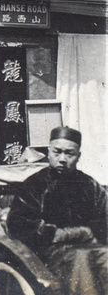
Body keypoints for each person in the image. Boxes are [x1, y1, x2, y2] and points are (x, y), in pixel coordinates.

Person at [6, 126, 107, 295]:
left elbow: (104, 218)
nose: (62, 159)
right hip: (47, 253)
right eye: (57, 152)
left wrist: (90, 232)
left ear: (78, 156)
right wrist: (58, 234)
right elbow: (18, 223)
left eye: (69, 153)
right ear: (49, 152)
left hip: (89, 246)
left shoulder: (91, 186)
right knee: (80, 260)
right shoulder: (34, 185)